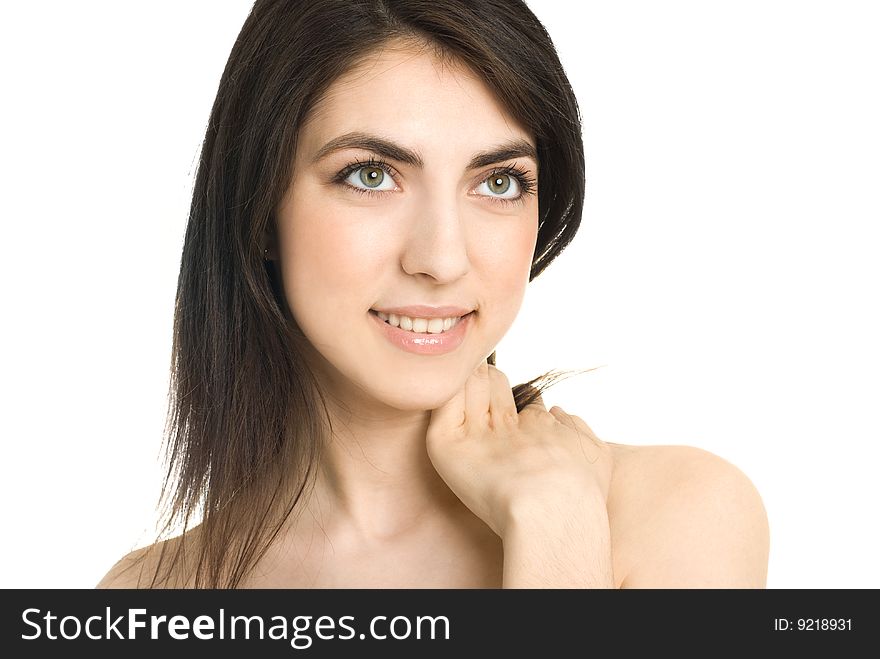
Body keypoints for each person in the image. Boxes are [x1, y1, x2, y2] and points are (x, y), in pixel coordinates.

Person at [98, 0, 769, 589]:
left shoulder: (677, 514)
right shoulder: (155, 595)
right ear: (260, 204)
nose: (442, 259)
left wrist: (556, 523)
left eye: (499, 182)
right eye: (370, 174)